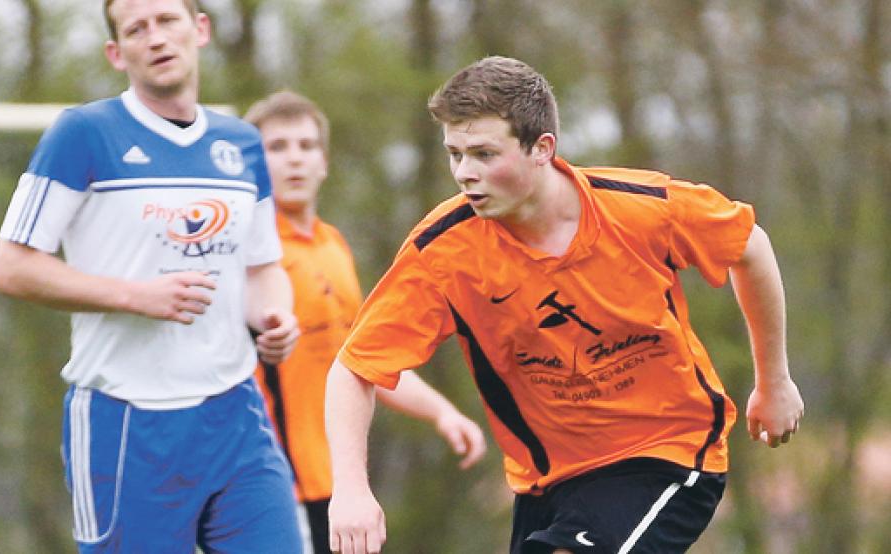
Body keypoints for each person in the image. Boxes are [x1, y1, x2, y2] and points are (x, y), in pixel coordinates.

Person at [324, 56, 805, 554]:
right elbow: (354, 369)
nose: (465, 173)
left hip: (669, 450)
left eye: (485, 154)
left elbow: (751, 247)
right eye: (455, 154)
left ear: (542, 148)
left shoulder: (642, 209)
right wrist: (351, 489)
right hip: (547, 480)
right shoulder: (443, 251)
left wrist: (773, 383)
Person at [0, 1, 304, 552]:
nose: (155, 37)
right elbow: (11, 267)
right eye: (136, 29)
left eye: (167, 21)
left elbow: (262, 267)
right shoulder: (83, 133)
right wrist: (134, 296)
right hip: (127, 423)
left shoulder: (242, 145)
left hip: (235, 413)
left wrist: (275, 317)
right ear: (117, 53)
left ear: (199, 29)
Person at [243, 90, 487, 554]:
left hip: (337, 482)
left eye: (306, 145)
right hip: (271, 486)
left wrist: (441, 412)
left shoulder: (333, 244)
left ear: (325, 162)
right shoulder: (251, 257)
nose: (294, 159)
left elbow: (361, 360)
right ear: (252, 164)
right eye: (276, 147)